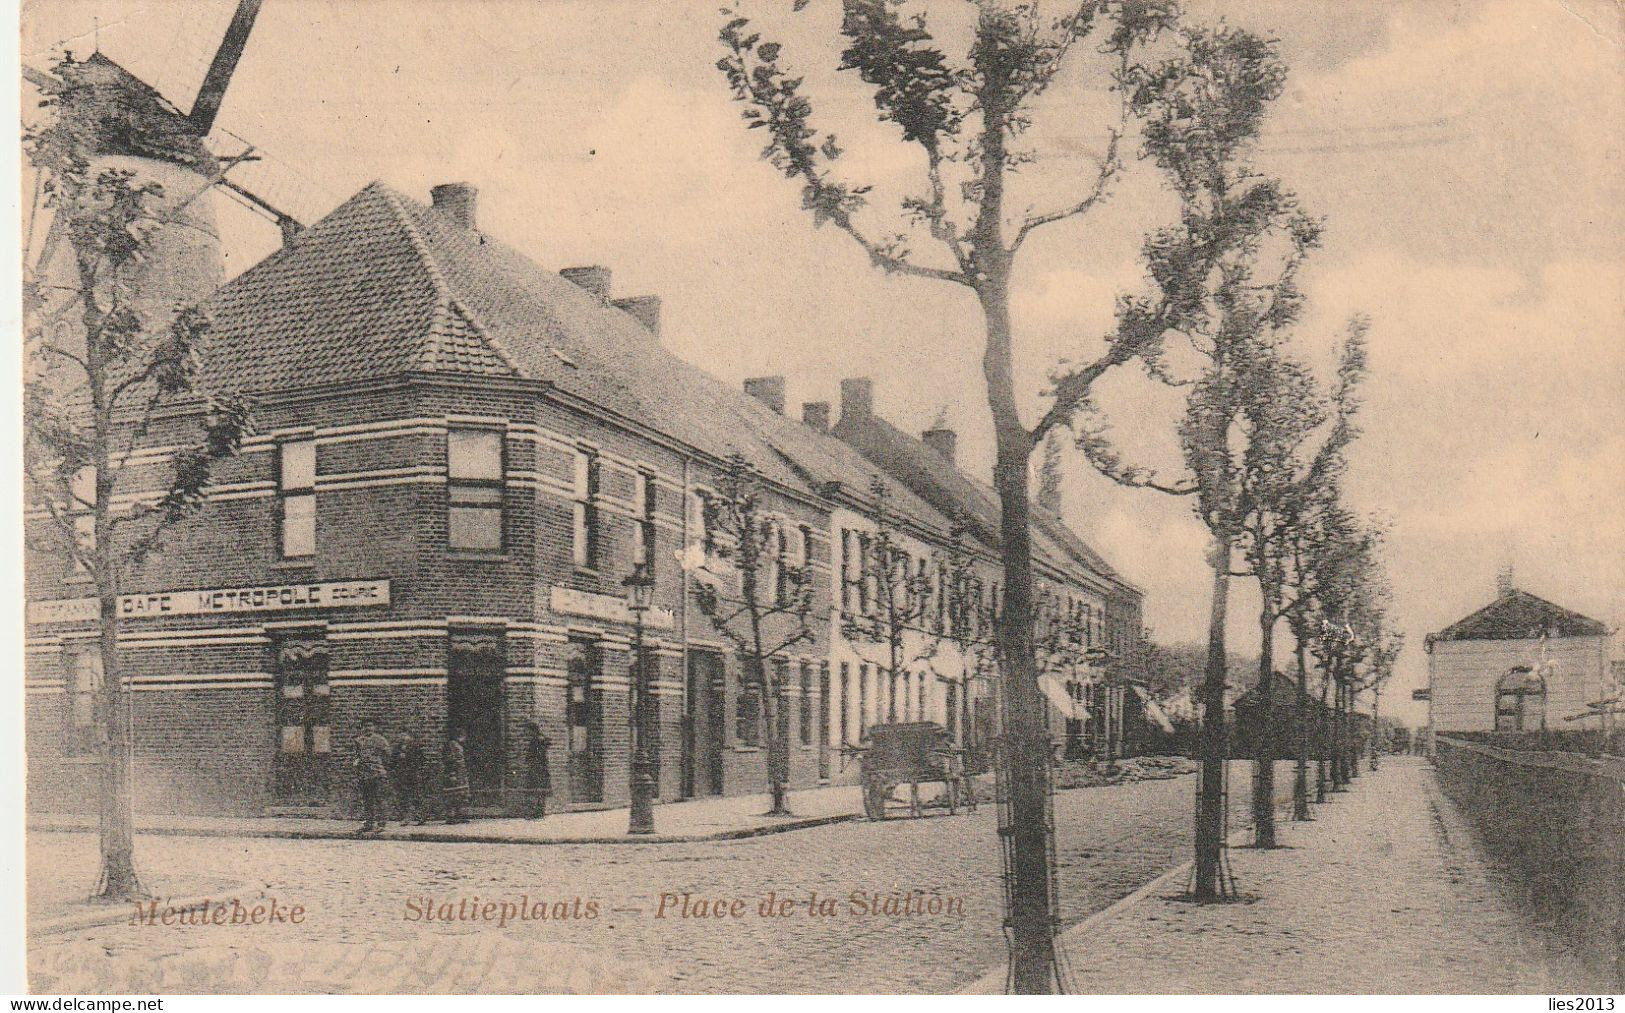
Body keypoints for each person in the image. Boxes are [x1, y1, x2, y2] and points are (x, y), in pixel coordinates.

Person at [353, 720, 391, 835]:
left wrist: (380, 765)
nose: (368, 728)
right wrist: (357, 762)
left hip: (377, 774)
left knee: (380, 799)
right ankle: (369, 823)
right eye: (366, 726)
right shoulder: (359, 740)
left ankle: (381, 824)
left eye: (370, 726)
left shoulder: (380, 740)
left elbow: (388, 755)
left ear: (374, 727)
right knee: (367, 800)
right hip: (364, 774)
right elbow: (357, 755)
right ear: (363, 728)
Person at [392, 730, 427, 825]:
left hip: (414, 775)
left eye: (406, 736)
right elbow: (392, 762)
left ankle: (420, 816)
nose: (403, 738)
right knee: (404, 797)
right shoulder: (397, 748)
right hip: (402, 776)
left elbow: (422, 760)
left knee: (417, 795)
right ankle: (406, 818)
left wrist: (418, 770)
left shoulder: (415, 747)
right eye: (401, 736)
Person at [522, 721, 551, 819]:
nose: (527, 733)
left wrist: (528, 760)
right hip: (543, 768)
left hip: (537, 768)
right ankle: (540, 811)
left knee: (535, 790)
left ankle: (536, 812)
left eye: (528, 731)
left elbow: (531, 755)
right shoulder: (543, 739)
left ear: (532, 730)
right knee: (541, 791)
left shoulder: (535, 741)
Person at [443, 729, 471, 824]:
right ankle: (451, 816)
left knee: (462, 795)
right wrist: (452, 774)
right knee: (452, 796)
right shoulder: (452, 745)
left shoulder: (458, 746)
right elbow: (450, 761)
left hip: (461, 774)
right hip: (455, 774)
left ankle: (462, 815)